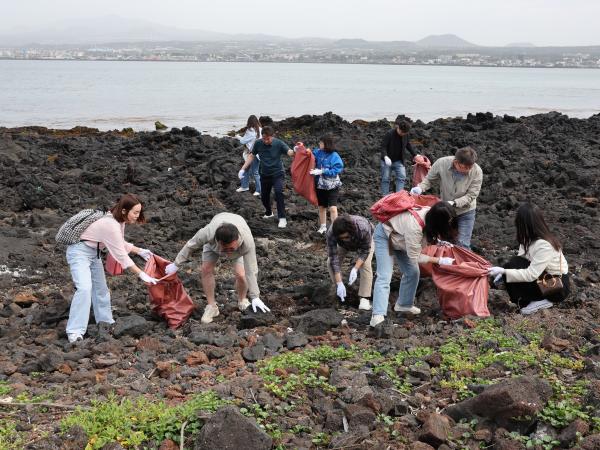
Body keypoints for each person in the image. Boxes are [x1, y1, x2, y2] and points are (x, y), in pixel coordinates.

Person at [64, 194, 157, 343]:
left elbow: (119, 243)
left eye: (139, 212)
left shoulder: (119, 222)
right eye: (135, 212)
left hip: (94, 253)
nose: (137, 216)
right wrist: (141, 274)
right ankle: (75, 332)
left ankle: (105, 322)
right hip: (79, 252)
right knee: (84, 288)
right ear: (124, 211)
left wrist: (140, 251)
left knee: (101, 289)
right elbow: (121, 255)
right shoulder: (111, 224)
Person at [165, 212, 270, 324]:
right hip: (214, 246)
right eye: (226, 249)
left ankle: (243, 300)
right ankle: (212, 307)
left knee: (241, 274)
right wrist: (176, 264)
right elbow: (191, 245)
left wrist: (255, 296)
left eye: (231, 248)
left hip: (239, 248)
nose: (228, 253)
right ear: (218, 241)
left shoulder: (246, 242)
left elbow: (251, 269)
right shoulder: (208, 233)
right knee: (206, 269)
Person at [371, 202, 457, 327]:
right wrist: (439, 260)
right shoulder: (415, 227)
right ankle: (377, 316)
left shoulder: (430, 214)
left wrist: (440, 242)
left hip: (401, 238)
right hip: (385, 235)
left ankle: (403, 305)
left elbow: (425, 237)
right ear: (438, 222)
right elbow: (416, 257)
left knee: (413, 272)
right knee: (385, 275)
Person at [488, 203, 570, 315]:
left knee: (510, 269)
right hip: (544, 277)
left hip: (556, 288)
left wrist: (504, 272)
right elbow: (521, 260)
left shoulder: (544, 245)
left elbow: (531, 274)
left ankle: (541, 300)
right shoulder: (528, 239)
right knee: (512, 264)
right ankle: (525, 298)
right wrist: (504, 272)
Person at [410, 146, 483, 249]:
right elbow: (429, 180)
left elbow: (471, 195)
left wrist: (454, 203)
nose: (468, 170)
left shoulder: (477, 171)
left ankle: (462, 263)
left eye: (470, 167)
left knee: (463, 244)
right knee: (445, 242)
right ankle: (443, 263)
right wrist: (420, 188)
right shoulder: (442, 163)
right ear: (456, 162)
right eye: (464, 167)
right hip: (446, 213)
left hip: (465, 211)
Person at [238, 126, 296, 229]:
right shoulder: (258, 143)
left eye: (268, 139)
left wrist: (295, 150)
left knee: (278, 192)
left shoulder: (279, 143)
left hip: (278, 173)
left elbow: (290, 153)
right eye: (264, 138)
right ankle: (269, 212)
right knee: (264, 197)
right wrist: (243, 169)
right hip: (264, 174)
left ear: (272, 136)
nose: (265, 141)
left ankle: (282, 218)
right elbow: (251, 155)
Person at [327, 215, 374, 311]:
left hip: (363, 242)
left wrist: (355, 268)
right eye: (342, 237)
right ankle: (339, 290)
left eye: (346, 236)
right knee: (329, 263)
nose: (345, 239)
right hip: (343, 246)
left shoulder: (363, 228)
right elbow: (334, 258)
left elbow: (365, 251)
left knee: (365, 264)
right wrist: (339, 282)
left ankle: (364, 298)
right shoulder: (331, 233)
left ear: (351, 232)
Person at [307, 134, 344, 234]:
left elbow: (337, 170)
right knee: (322, 206)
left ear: (326, 144)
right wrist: (300, 148)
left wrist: (322, 171)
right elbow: (309, 154)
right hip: (320, 185)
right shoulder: (318, 152)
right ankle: (323, 227)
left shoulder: (335, 156)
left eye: (321, 142)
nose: (319, 144)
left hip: (332, 185)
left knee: (332, 208)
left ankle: (334, 229)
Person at [381, 117, 422, 195]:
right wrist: (385, 157)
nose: (402, 134)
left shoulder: (405, 135)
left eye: (404, 133)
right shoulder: (389, 134)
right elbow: (383, 147)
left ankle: (399, 195)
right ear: (398, 128)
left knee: (402, 177)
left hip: (399, 160)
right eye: (401, 132)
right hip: (386, 161)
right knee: (385, 179)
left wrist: (415, 155)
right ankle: (384, 196)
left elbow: (408, 145)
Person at [236, 115, 262, 196]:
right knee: (249, 170)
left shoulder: (250, 131)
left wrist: (238, 137)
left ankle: (257, 190)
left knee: (253, 171)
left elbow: (243, 141)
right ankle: (245, 186)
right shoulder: (261, 130)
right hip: (259, 154)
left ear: (249, 122)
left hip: (252, 154)